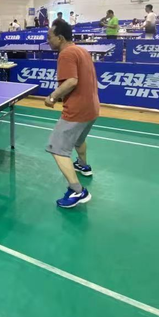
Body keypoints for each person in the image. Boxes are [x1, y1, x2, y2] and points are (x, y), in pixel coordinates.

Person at [43, 19, 100, 209]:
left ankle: (78, 191)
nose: (48, 41)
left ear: (60, 38)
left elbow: (72, 81)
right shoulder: (81, 50)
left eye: (50, 37)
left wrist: (52, 97)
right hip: (92, 108)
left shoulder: (66, 54)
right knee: (78, 139)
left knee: (56, 148)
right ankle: (83, 165)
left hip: (77, 110)